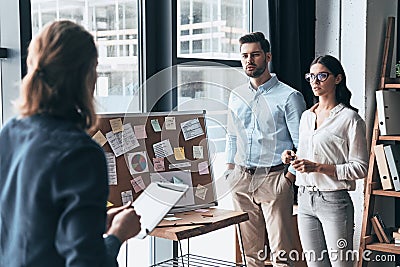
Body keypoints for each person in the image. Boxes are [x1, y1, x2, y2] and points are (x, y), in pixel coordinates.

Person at [0, 20, 141, 266]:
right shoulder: (81, 154)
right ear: (86, 76)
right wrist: (118, 235)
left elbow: (28, 224)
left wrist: (96, 220)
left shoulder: (10, 133)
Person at [225, 31, 306, 267]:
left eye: (255, 55)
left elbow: (302, 144)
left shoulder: (290, 96)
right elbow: (232, 137)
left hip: (274, 178)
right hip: (241, 179)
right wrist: (230, 172)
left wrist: (288, 180)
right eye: (245, 56)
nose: (249, 61)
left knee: (282, 253)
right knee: (250, 253)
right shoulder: (236, 95)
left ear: (267, 56)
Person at [281, 55, 368, 267]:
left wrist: (318, 167)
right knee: (315, 265)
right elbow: (304, 155)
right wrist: (291, 158)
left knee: (340, 264)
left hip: (334, 201)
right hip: (304, 200)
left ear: (337, 78)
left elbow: (361, 168)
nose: (315, 81)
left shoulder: (350, 119)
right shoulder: (306, 117)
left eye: (322, 75)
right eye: (311, 76)